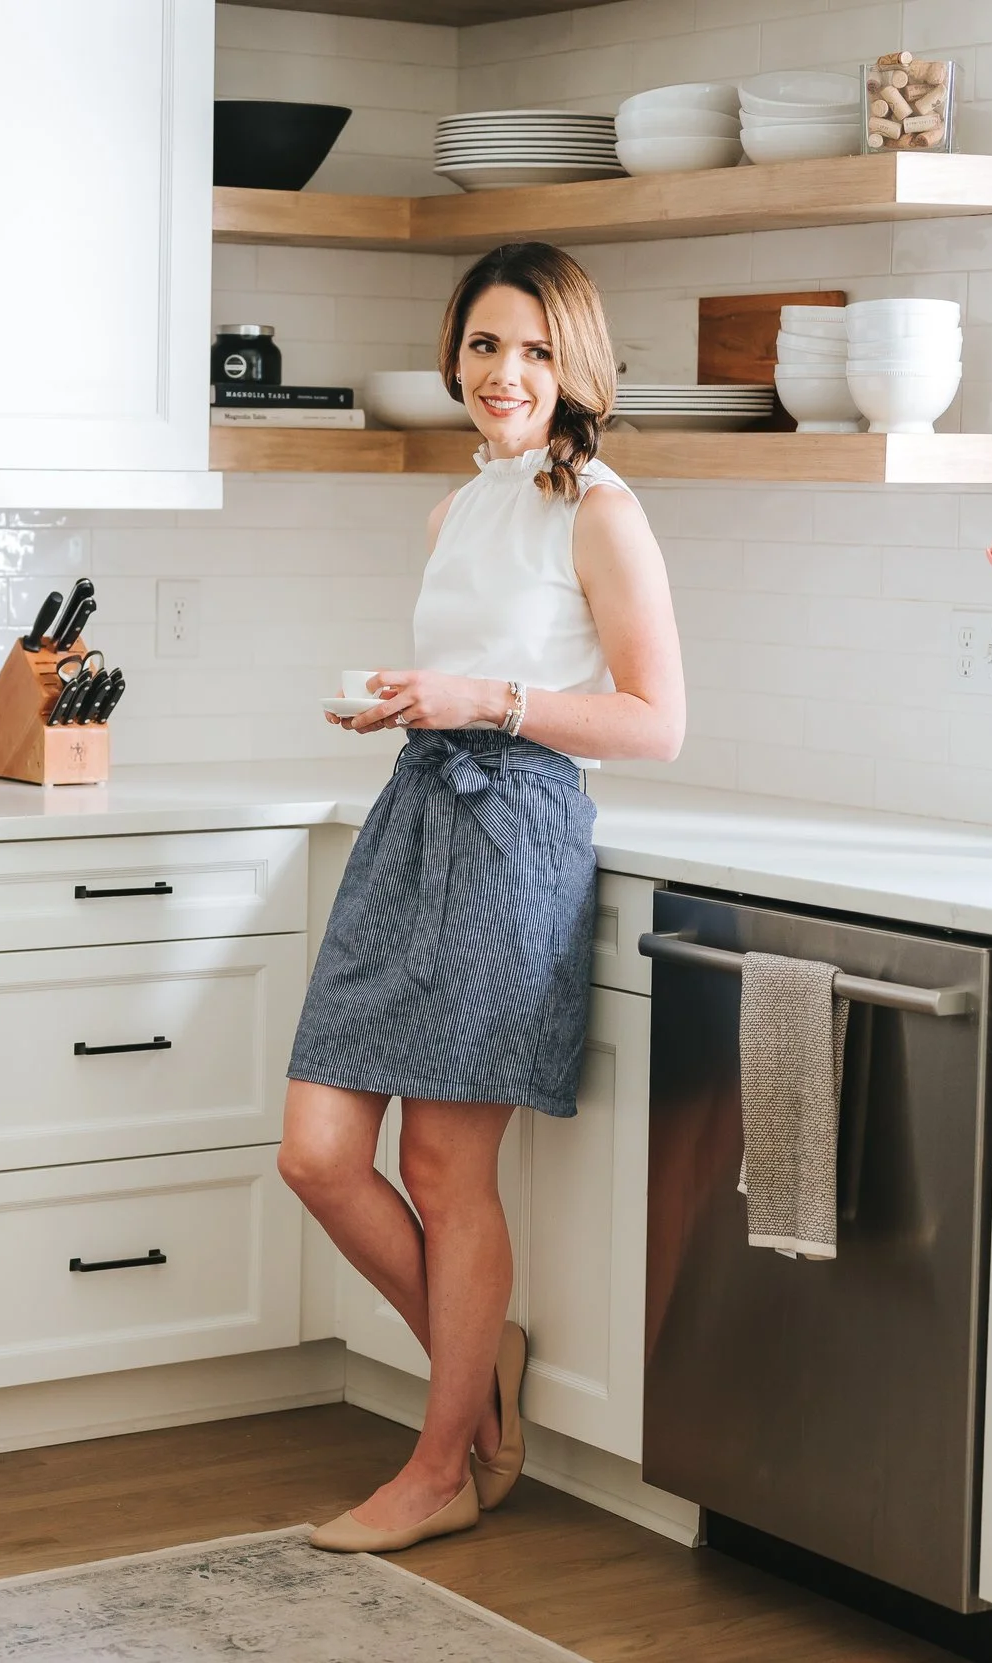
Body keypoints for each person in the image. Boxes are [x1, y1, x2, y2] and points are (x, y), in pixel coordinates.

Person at [280, 241, 686, 1553]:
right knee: (320, 1153)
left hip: (517, 831)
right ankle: (481, 1352)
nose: (505, 373)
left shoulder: (603, 511)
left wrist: (487, 700)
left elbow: (657, 720)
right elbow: (471, 673)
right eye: (482, 346)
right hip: (416, 812)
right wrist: (413, 701)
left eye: (532, 349)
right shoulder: (460, 509)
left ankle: (442, 1461)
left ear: (578, 366)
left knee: (450, 1170)